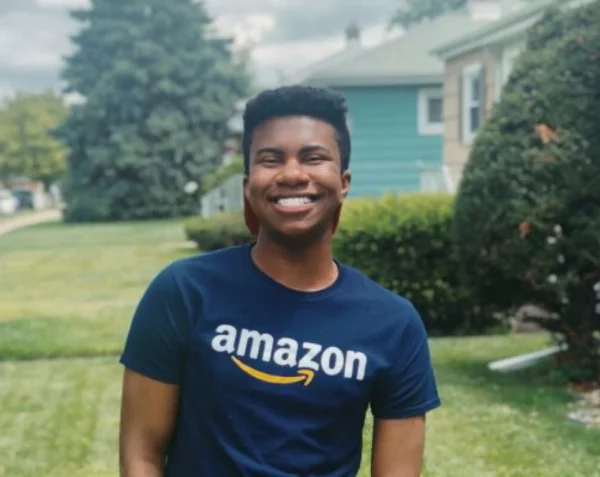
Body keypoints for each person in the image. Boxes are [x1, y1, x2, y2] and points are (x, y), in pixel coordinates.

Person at [118, 85, 441, 477]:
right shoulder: (184, 292)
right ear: (247, 185)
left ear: (343, 183)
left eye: (313, 157)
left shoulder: (393, 323)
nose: (291, 174)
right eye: (271, 160)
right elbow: (142, 455)